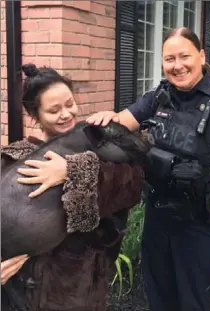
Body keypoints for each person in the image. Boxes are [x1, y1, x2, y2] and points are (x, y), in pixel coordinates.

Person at [86, 27, 210, 311]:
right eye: (169, 59)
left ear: (201, 55)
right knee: (160, 303)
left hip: (203, 233)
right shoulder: (157, 97)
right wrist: (105, 120)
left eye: (184, 56)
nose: (177, 65)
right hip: (158, 226)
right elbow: (120, 125)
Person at [1, 63, 145, 311]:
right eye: (54, 110)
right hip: (23, 295)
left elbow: (133, 187)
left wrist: (73, 172)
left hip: (76, 294)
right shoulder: (12, 160)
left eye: (69, 104)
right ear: (35, 115)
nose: (66, 114)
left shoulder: (100, 149)